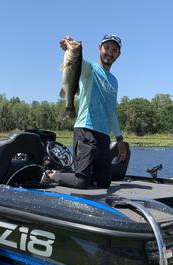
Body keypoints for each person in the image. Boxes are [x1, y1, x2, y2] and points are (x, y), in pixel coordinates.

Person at [47, 34, 127, 189]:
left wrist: (119, 139)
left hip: (103, 135)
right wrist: (69, 46)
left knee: (104, 183)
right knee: (81, 181)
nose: (110, 52)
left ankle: (82, 173)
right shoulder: (89, 68)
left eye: (114, 50)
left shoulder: (114, 81)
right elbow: (76, 62)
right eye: (107, 48)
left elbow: (112, 111)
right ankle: (53, 175)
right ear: (99, 48)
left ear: (118, 54)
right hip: (86, 130)